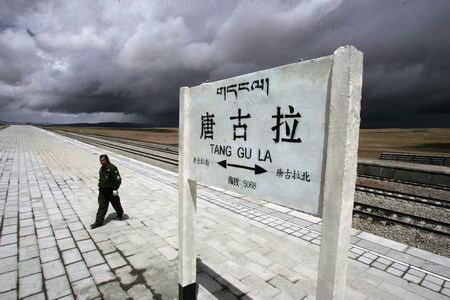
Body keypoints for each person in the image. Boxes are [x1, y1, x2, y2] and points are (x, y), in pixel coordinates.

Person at [90, 154, 124, 229]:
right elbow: (101, 178)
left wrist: (115, 189)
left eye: (103, 160)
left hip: (111, 191)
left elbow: (118, 179)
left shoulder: (113, 168)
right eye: (100, 161)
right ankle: (98, 222)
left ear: (107, 160)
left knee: (116, 204)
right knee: (102, 207)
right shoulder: (102, 168)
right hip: (103, 191)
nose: (101, 162)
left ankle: (120, 214)